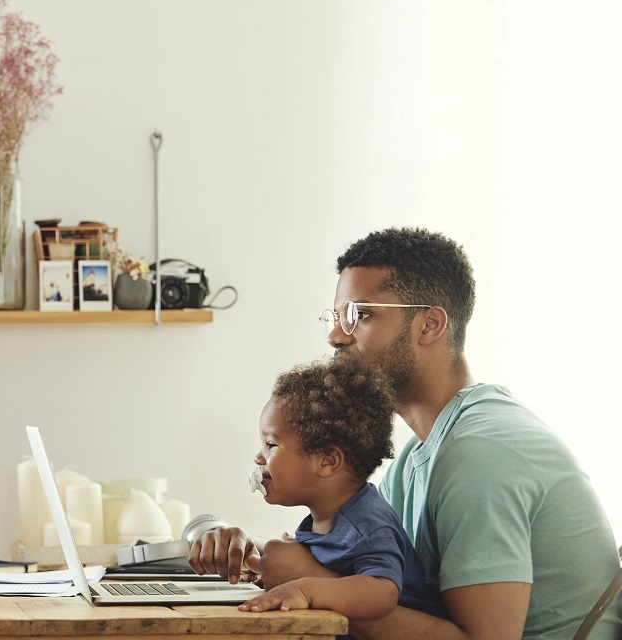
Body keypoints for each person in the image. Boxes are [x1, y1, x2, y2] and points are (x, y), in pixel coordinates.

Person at [189, 227, 622, 639]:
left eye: (359, 315)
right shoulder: (417, 457)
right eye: (335, 317)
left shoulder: (480, 453)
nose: (337, 337)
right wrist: (256, 556)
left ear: (430, 325)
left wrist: (309, 581)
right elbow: (378, 575)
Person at [239, 356, 445, 625]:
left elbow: (382, 593)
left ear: (327, 461)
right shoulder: (324, 518)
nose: (259, 458)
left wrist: (305, 588)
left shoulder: (367, 524)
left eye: (271, 445)